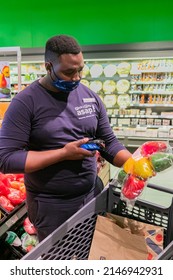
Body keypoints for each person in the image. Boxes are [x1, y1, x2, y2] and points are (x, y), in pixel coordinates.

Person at [0, 35, 132, 242]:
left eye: (80, 70)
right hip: (52, 206)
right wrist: (63, 154)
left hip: (91, 194)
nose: (77, 77)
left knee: (91, 252)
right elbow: (6, 159)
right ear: (48, 66)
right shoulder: (25, 103)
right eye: (68, 72)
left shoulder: (90, 97)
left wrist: (134, 164)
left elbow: (109, 142)